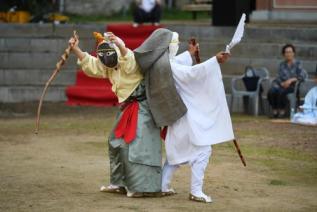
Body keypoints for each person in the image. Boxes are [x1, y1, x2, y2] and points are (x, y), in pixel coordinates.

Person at [134, 29, 234, 203]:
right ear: (166, 46)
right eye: (175, 43)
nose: (177, 45)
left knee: (176, 152)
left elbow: (176, 63)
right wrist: (214, 61)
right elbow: (190, 74)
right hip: (184, 114)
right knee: (203, 149)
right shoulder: (167, 66)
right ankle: (196, 191)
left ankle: (163, 185)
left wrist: (190, 53)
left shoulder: (159, 63)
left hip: (177, 113)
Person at [68, 32, 162, 197]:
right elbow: (92, 64)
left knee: (133, 146)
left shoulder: (129, 59)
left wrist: (120, 45)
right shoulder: (107, 65)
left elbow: (130, 61)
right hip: (127, 107)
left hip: (142, 108)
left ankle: (140, 187)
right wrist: (75, 48)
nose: (106, 60)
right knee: (115, 142)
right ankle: (118, 183)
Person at [267, 44, 307, 118]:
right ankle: (275, 111)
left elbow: (303, 76)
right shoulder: (282, 64)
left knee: (281, 92)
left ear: (293, 53)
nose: (288, 54)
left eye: (290, 52)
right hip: (282, 85)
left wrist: (291, 80)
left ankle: (282, 112)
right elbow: (278, 77)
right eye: (286, 52)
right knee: (271, 91)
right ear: (284, 54)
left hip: (293, 86)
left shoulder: (298, 64)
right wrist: (282, 83)